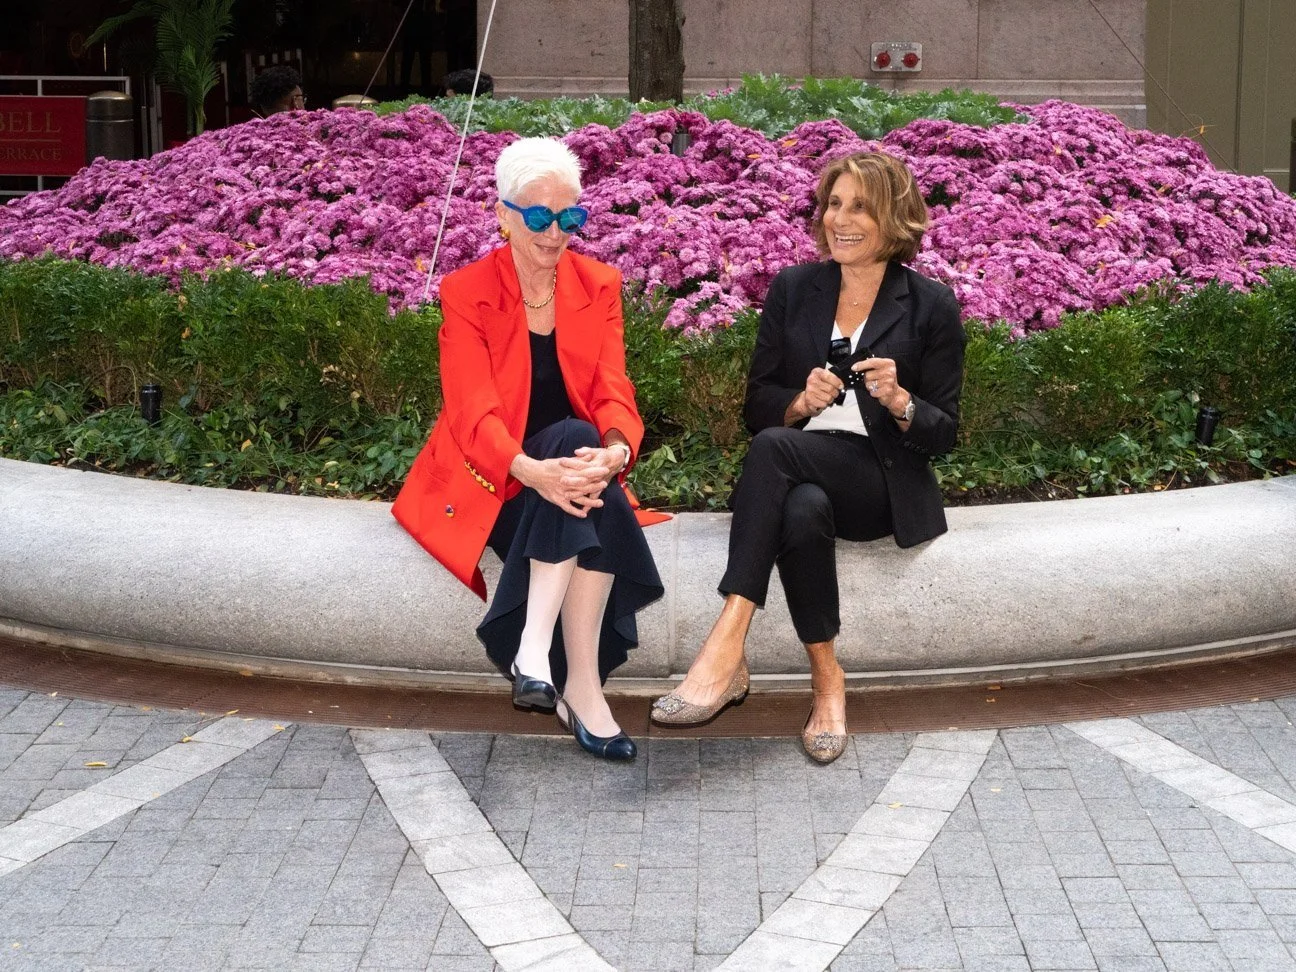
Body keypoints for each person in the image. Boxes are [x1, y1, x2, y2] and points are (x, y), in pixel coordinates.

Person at [651, 152, 966, 764]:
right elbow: (758, 404)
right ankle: (827, 681)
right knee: (801, 508)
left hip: (879, 483)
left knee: (774, 449)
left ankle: (725, 647)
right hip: (800, 470)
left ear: (894, 219)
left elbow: (944, 433)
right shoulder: (795, 289)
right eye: (833, 204)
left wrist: (901, 401)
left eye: (860, 207)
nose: (839, 220)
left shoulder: (931, 304)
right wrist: (798, 403)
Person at [393, 137, 664, 761]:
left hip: (570, 478)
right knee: (578, 465)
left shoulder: (598, 284)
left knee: (580, 444)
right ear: (503, 214)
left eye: (570, 216)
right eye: (539, 216)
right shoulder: (467, 290)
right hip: (496, 479)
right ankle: (578, 685)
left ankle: (540, 657)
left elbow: (613, 389)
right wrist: (531, 471)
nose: (555, 232)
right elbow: (472, 412)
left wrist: (617, 453)